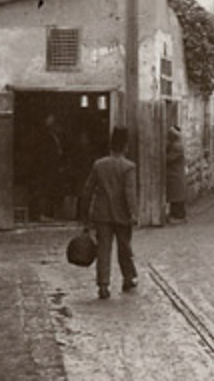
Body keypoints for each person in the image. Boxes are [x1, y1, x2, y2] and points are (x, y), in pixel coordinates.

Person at [81, 126, 138, 300]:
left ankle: (103, 285)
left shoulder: (99, 164)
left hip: (102, 215)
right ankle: (128, 278)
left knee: (103, 250)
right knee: (124, 248)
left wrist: (85, 215)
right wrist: (133, 213)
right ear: (125, 146)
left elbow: (87, 190)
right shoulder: (128, 167)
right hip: (122, 215)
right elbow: (129, 192)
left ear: (111, 146)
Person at [165, 125, 187, 223]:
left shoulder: (176, 146)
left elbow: (168, 159)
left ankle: (179, 216)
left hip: (175, 175)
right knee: (175, 196)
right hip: (174, 174)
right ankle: (176, 215)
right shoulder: (176, 144)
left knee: (176, 196)